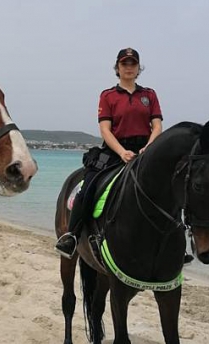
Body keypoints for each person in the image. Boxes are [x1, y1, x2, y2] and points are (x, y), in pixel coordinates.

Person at [55, 47, 163, 259]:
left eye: (133, 64)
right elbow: (105, 129)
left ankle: (176, 243)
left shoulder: (149, 95)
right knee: (88, 186)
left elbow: (157, 126)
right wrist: (122, 152)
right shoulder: (108, 96)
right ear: (117, 68)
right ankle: (72, 236)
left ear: (138, 68)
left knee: (170, 186)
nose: (129, 68)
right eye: (125, 64)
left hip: (145, 149)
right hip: (115, 149)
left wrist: (148, 148)